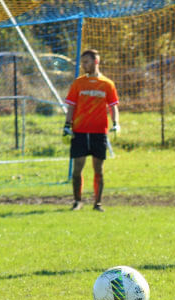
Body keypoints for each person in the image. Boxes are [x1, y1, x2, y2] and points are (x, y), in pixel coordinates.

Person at [63, 49, 119, 212]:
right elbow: (71, 106)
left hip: (99, 132)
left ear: (96, 62)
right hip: (79, 131)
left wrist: (116, 123)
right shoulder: (78, 83)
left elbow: (113, 105)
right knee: (77, 168)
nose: (83, 65)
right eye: (82, 62)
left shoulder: (107, 84)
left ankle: (98, 203)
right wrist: (67, 125)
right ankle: (77, 201)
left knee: (98, 169)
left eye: (86, 62)